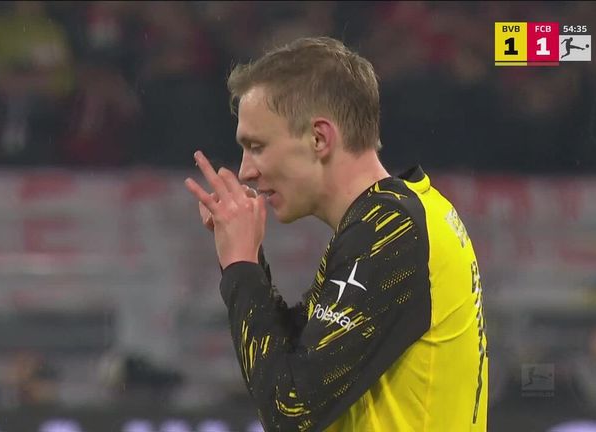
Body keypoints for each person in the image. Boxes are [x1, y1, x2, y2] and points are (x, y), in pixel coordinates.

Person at [184, 36, 488, 432]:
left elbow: (289, 408)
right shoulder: (401, 215)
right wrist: (248, 259)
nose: (246, 171)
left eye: (256, 146)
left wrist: (241, 267)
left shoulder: (390, 229)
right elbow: (299, 357)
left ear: (319, 138)